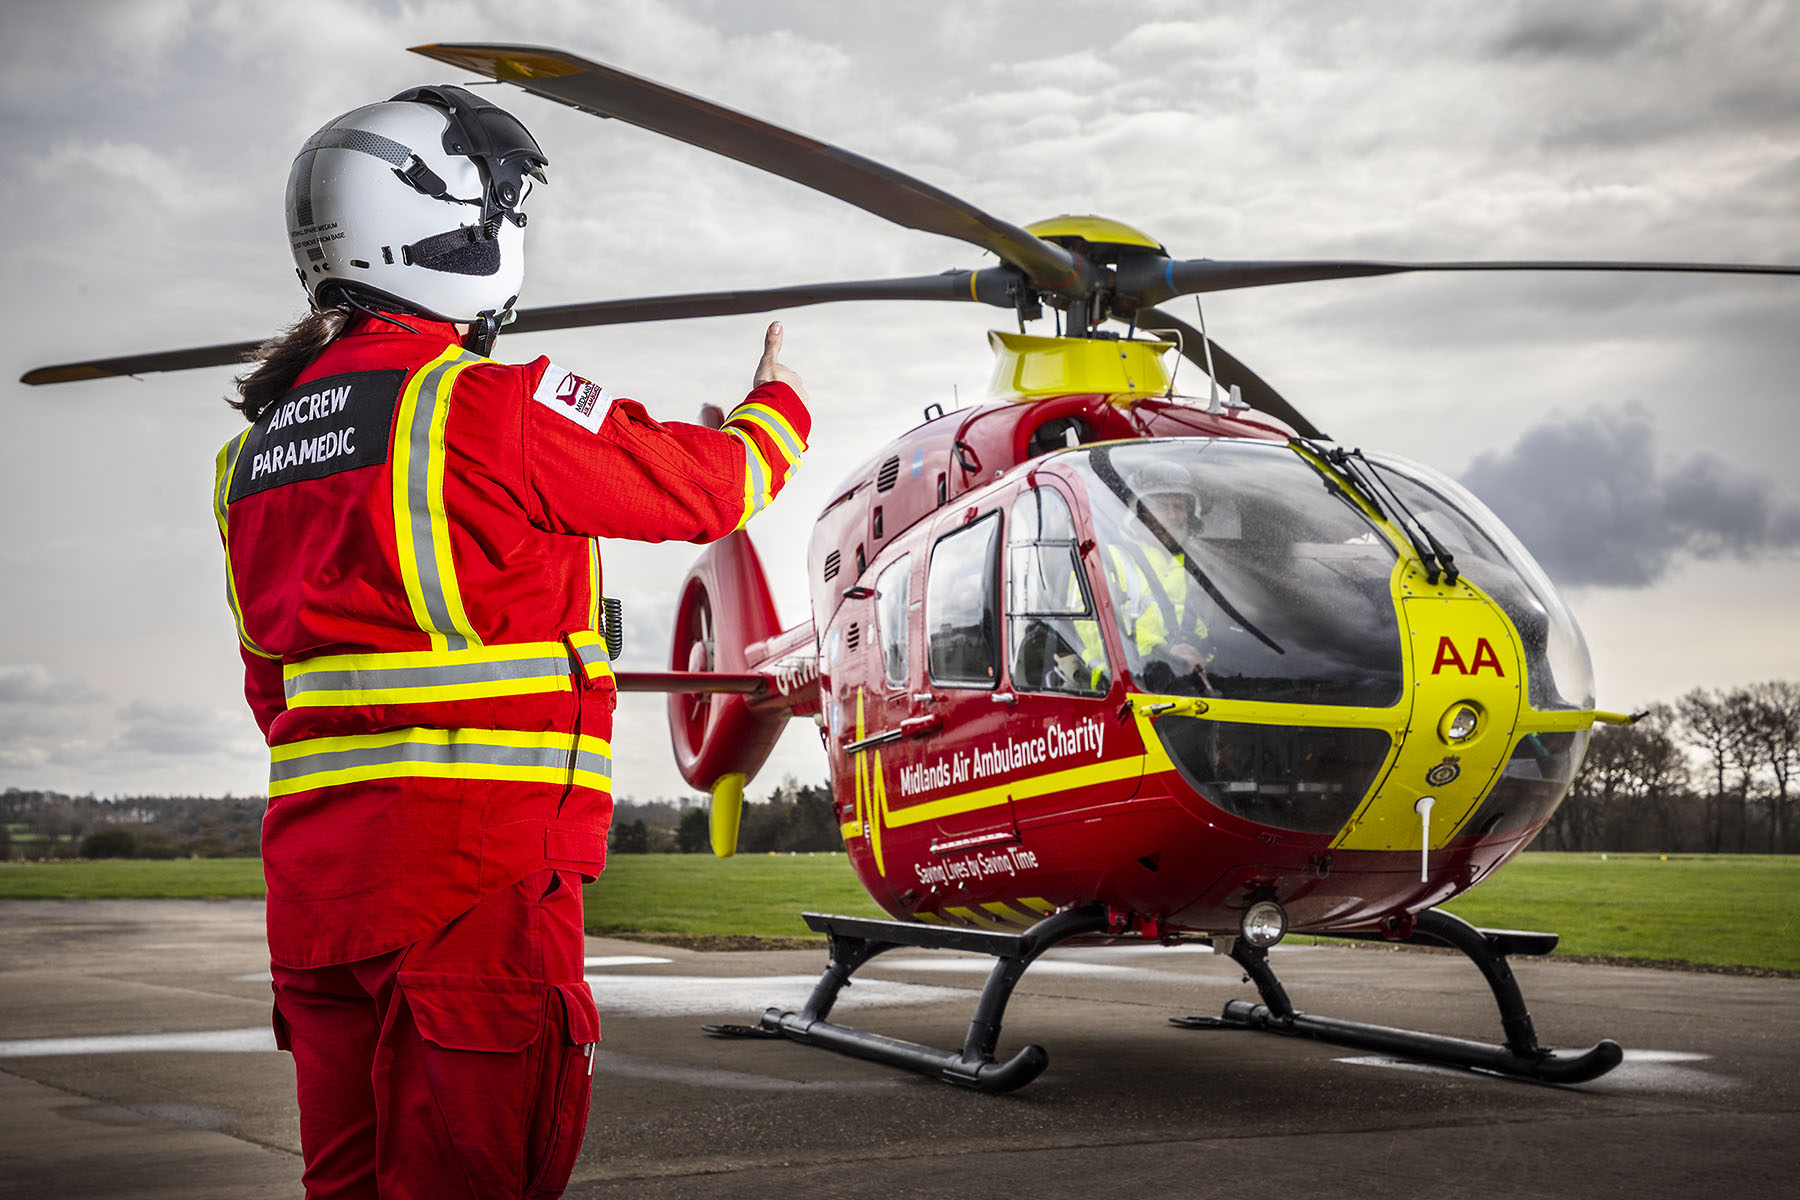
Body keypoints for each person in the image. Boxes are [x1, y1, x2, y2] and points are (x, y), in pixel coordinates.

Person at [213, 84, 810, 1199]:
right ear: (450, 226)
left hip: (318, 898)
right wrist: (776, 406)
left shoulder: (251, 461)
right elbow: (709, 488)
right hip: (472, 886)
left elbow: (273, 686)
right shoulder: (479, 405)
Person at [1103, 460, 1211, 689]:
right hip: (1132, 692)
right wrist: (1162, 655)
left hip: (1197, 683)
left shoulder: (1201, 566)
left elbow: (1219, 630)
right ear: (1139, 512)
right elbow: (1094, 638)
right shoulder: (1111, 560)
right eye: (1161, 507)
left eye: (1179, 506)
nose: (1171, 516)